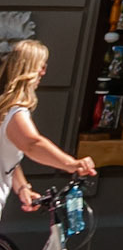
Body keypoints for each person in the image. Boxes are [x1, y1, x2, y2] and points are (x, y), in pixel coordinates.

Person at [0, 39, 96, 215]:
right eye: (41, 66)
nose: (44, 72)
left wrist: (23, 189)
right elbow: (32, 144)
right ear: (29, 69)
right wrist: (71, 164)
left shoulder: (4, 109)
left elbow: (6, 159)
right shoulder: (15, 113)